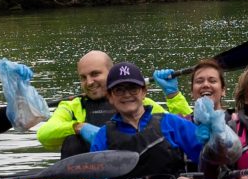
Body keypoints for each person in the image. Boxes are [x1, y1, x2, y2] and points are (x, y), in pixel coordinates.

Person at [77, 61, 208, 179]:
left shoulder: (172, 123)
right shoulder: (103, 136)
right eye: (119, 90)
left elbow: (206, 158)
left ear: (144, 92)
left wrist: (216, 142)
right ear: (110, 97)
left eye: (133, 88)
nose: (127, 94)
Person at [36, 50, 193, 149]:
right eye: (83, 77)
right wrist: (79, 127)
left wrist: (173, 95)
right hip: (88, 177)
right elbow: (44, 135)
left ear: (111, 74)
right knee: (72, 143)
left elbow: (186, 128)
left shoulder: (137, 103)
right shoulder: (72, 106)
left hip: (135, 168)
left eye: (95, 74)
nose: (89, 82)